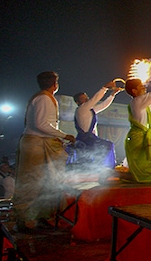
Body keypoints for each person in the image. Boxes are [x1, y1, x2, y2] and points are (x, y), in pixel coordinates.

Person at [12, 71, 76, 231]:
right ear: (55, 84)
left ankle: (40, 216)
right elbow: (41, 124)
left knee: (44, 182)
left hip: (38, 143)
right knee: (33, 181)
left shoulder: (42, 97)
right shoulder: (44, 98)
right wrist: (64, 135)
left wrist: (58, 138)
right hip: (36, 145)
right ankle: (26, 220)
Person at [69, 81, 121, 168]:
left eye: (87, 98)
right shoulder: (82, 109)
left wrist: (112, 94)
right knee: (108, 146)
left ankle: (102, 169)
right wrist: (104, 88)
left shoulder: (88, 110)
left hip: (90, 140)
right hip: (86, 141)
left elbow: (103, 105)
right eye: (83, 99)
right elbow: (95, 99)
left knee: (94, 157)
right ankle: (108, 168)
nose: (87, 100)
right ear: (77, 103)